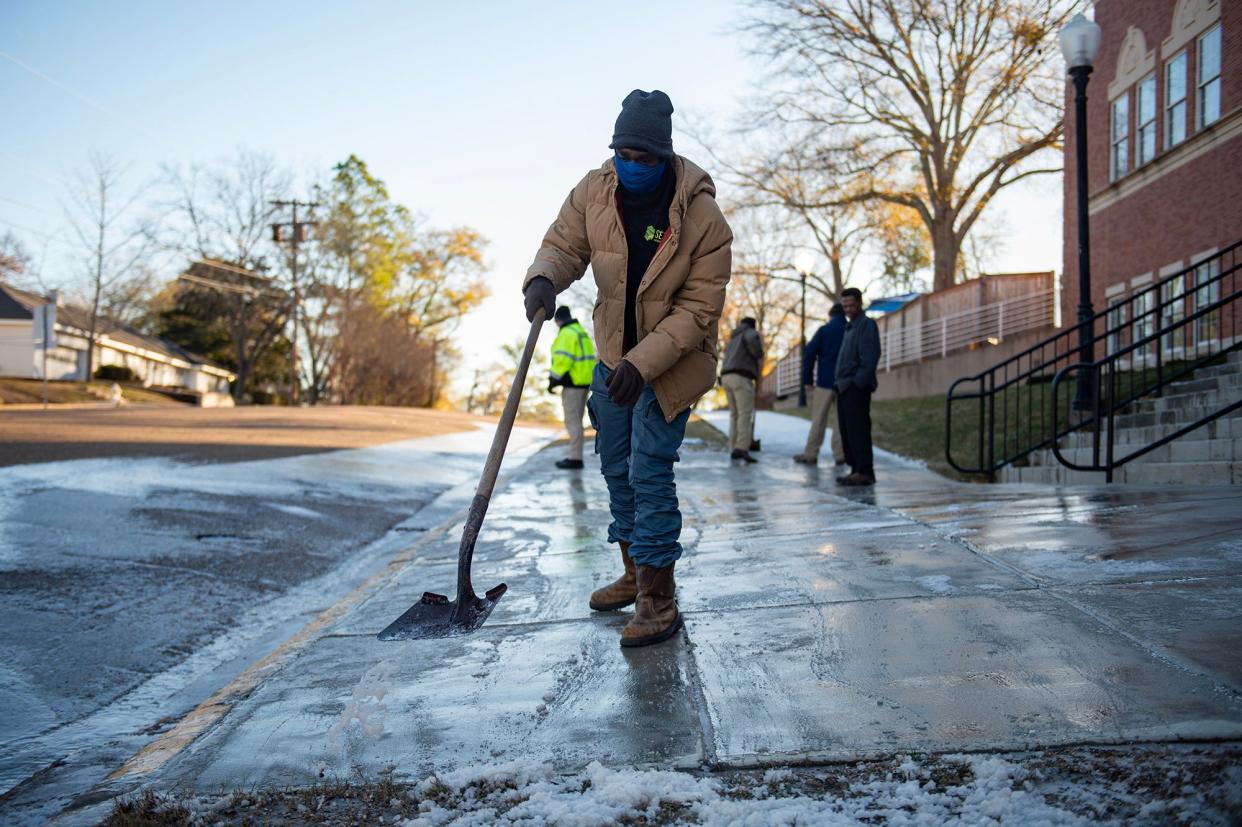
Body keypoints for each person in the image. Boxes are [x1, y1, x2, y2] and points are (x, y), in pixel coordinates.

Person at [522, 89, 732, 647]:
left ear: (663, 156)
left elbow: (698, 311)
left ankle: (659, 601)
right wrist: (544, 277)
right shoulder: (595, 189)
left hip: (672, 366)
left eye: (643, 157)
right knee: (616, 467)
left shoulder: (703, 216)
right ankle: (634, 573)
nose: (632, 166)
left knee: (649, 473)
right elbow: (564, 243)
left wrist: (643, 364)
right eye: (623, 154)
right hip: (613, 359)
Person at [834, 287, 881, 486]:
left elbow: (870, 357)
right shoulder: (850, 326)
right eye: (844, 305)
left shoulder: (866, 325)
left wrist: (856, 383)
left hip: (855, 388)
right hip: (844, 387)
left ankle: (864, 471)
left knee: (859, 430)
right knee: (847, 432)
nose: (847, 309)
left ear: (860, 303)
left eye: (851, 305)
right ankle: (855, 469)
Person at [794, 303, 846, 466]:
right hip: (844, 382)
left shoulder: (824, 330)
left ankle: (811, 453)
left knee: (818, 419)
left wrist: (807, 380)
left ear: (830, 315)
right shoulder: (849, 329)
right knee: (841, 421)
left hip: (825, 381)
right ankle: (840, 455)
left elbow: (809, 354)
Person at [548, 305, 596, 470]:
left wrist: (552, 380)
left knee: (572, 421)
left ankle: (575, 459)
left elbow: (562, 359)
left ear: (558, 320)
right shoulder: (581, 332)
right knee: (577, 421)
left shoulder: (567, 333)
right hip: (584, 382)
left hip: (572, 383)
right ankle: (575, 456)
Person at [720, 317, 763, 463]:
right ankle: (742, 448)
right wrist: (759, 353)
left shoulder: (733, 337)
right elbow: (754, 343)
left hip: (726, 376)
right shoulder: (749, 332)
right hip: (740, 376)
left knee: (735, 415)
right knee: (745, 413)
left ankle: (733, 447)